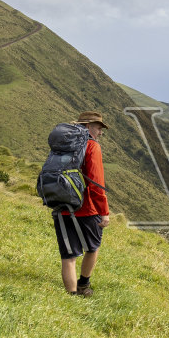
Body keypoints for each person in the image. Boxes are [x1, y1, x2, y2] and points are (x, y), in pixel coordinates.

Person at [55, 110, 109, 296]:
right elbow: (96, 183)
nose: (100, 132)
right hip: (87, 209)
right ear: (87, 126)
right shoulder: (92, 146)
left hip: (61, 204)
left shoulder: (62, 144)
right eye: (98, 127)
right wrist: (104, 212)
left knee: (68, 256)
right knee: (93, 247)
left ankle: (71, 295)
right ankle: (84, 284)